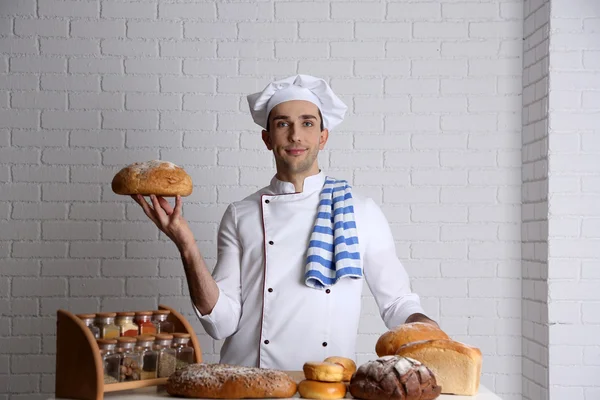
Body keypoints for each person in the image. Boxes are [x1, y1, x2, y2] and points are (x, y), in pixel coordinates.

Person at [132, 74, 440, 371]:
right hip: (246, 380)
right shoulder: (242, 214)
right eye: (283, 124)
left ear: (323, 136)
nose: (295, 135)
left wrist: (425, 327)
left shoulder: (360, 211)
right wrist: (186, 245)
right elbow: (221, 323)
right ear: (267, 138)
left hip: (323, 384)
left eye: (307, 123)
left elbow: (397, 301)